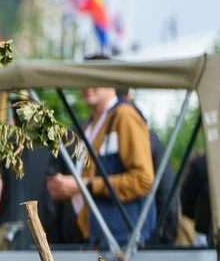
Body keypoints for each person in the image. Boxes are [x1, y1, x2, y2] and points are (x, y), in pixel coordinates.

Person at [44, 77, 155, 245]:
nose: (87, 85)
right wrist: (64, 188)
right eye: (83, 79)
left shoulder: (124, 115)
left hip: (120, 241)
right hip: (90, 237)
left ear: (111, 82)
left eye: (95, 78)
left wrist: (82, 185)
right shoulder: (87, 126)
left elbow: (143, 180)